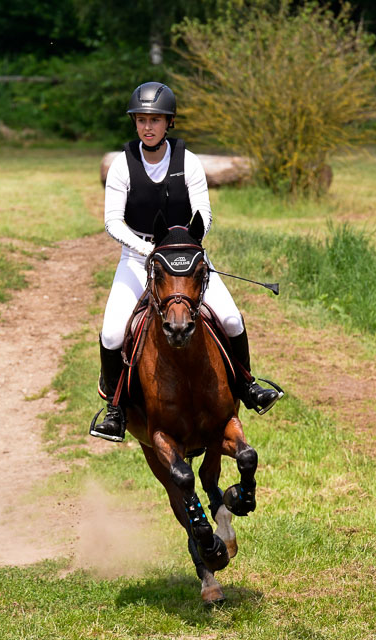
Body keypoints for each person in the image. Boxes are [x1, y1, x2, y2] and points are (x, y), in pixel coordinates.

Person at [90, 81, 281, 442]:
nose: (148, 127)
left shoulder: (187, 160)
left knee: (230, 318)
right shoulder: (121, 165)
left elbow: (203, 213)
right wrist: (150, 250)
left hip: (187, 256)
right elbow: (113, 221)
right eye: (142, 120)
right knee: (113, 331)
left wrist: (187, 242)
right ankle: (115, 411)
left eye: (156, 120)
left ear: (169, 122)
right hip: (139, 256)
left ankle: (247, 386)